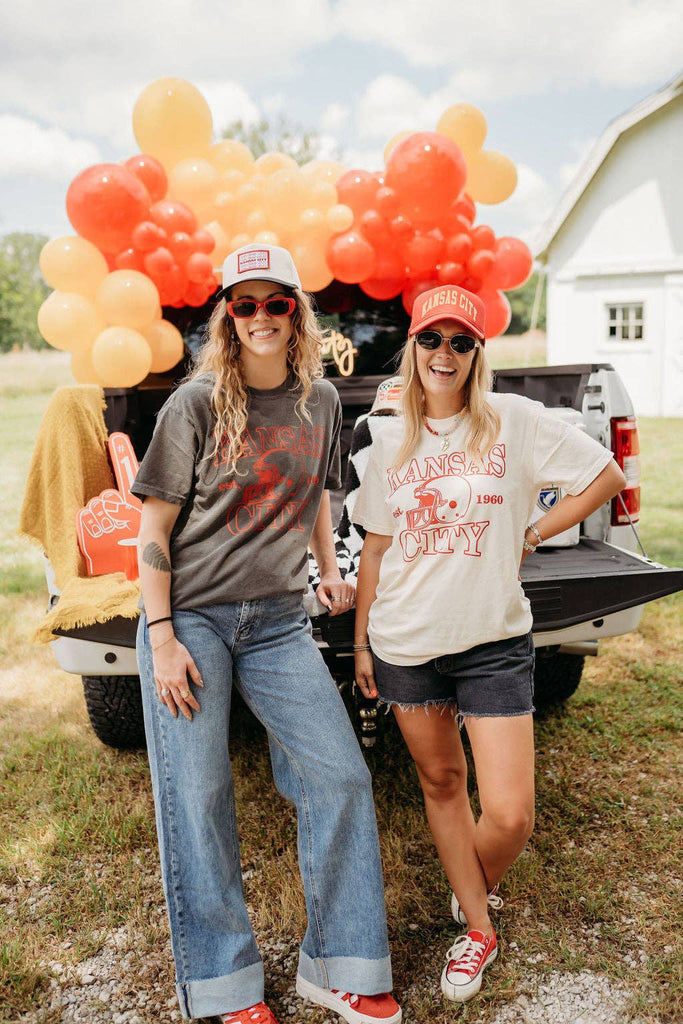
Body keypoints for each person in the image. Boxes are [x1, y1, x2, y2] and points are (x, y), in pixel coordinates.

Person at [132, 243, 402, 1024]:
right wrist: (162, 638)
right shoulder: (193, 405)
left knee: (339, 777)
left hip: (279, 621)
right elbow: (153, 530)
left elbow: (314, 492)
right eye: (243, 304)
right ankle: (224, 985)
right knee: (199, 795)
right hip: (193, 618)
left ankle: (341, 966)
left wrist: (326, 571)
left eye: (274, 302)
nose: (259, 317)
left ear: (296, 313)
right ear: (227, 316)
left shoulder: (322, 401)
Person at [351, 284, 626, 1004]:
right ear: (413, 348)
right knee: (441, 783)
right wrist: (362, 646)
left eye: (460, 341)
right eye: (431, 339)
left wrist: (532, 531)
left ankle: (469, 883)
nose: (444, 353)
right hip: (404, 642)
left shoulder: (515, 420)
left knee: (509, 814)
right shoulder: (388, 436)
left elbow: (605, 476)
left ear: (477, 354)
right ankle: (477, 925)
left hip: (493, 639)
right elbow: (375, 548)